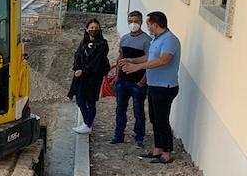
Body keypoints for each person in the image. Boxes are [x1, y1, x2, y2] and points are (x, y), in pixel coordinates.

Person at [121, 11, 181, 164]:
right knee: (155, 119)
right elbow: (149, 57)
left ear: (155, 24)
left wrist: (138, 67)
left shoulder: (170, 40)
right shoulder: (157, 39)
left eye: (148, 24)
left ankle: (167, 154)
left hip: (165, 87)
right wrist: (131, 60)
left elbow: (163, 60)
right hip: (154, 85)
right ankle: (158, 149)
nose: (147, 27)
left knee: (162, 120)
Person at [111, 10, 151, 147]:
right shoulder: (125, 38)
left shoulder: (147, 40)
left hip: (138, 81)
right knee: (120, 108)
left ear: (141, 22)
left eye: (136, 21)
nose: (133, 24)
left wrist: (142, 81)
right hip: (122, 80)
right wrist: (116, 76)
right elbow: (120, 57)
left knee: (138, 111)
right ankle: (118, 135)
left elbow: (149, 59)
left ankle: (139, 137)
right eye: (130, 21)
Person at [68, 18, 110, 134]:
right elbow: (77, 55)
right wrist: (77, 68)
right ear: (86, 30)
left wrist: (84, 71)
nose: (94, 30)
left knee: (91, 101)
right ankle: (87, 122)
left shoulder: (103, 43)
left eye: (96, 28)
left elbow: (97, 60)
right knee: (80, 99)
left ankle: (88, 124)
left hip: (94, 77)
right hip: (81, 77)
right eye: (91, 28)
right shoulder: (84, 42)